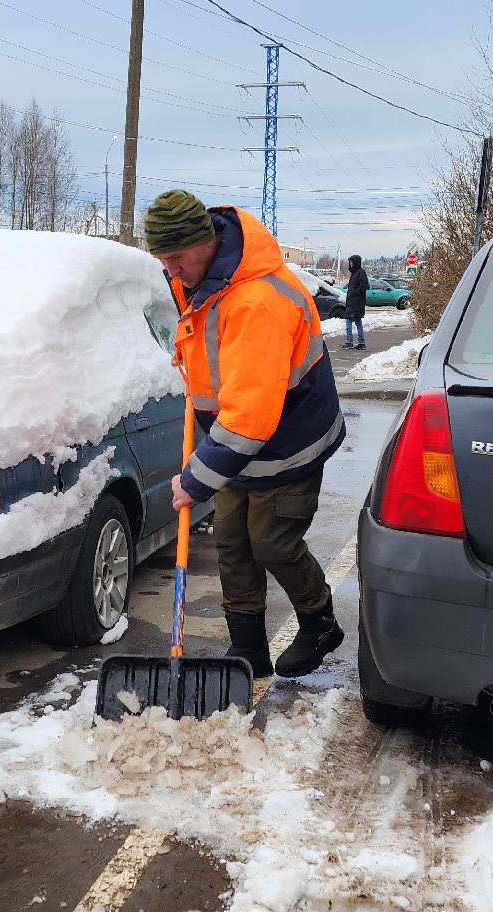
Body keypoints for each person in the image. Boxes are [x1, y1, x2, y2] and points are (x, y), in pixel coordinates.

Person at [145, 189, 347, 680]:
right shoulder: (199, 279)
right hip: (237, 446)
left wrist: (195, 478)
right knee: (233, 544)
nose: (170, 271)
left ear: (205, 242)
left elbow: (252, 414)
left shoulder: (257, 301)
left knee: (272, 542)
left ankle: (319, 621)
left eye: (175, 258)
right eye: (162, 260)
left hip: (287, 443)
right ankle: (248, 651)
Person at [343, 255, 369, 351]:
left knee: (349, 320)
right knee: (357, 321)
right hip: (352, 302)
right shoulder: (354, 274)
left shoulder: (361, 273)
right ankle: (361, 342)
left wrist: (353, 293)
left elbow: (363, 286)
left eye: (351, 262)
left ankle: (350, 341)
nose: (350, 264)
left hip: (356, 303)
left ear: (356, 262)